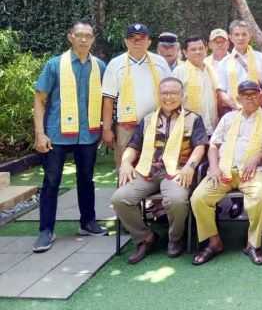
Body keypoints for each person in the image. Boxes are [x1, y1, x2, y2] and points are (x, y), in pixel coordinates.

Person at [111, 77, 208, 263]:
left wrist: (190, 166)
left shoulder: (193, 119)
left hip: (177, 171)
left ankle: (175, 238)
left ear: (182, 95)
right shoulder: (148, 119)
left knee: (176, 200)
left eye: (173, 93)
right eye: (165, 93)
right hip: (147, 171)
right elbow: (133, 146)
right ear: (158, 95)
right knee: (120, 199)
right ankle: (145, 237)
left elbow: (200, 146)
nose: (168, 97)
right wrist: (125, 163)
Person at [32, 21, 107, 253]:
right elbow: (40, 99)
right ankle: (46, 230)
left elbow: (106, 99)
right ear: (70, 37)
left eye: (88, 35)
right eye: (79, 35)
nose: (84, 39)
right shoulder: (55, 65)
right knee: (51, 181)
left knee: (86, 179)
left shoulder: (99, 66)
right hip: (56, 134)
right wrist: (40, 133)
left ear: (93, 39)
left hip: (88, 133)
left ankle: (88, 222)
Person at [190, 80, 262, 266]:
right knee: (199, 198)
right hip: (223, 170)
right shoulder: (228, 118)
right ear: (238, 98)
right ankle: (214, 242)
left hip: (253, 172)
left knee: (261, 196)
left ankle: (253, 244)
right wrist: (214, 167)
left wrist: (257, 157)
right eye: (246, 96)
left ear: (260, 96)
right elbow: (213, 145)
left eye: (254, 95)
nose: (250, 99)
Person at [102, 24, 171, 169]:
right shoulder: (115, 64)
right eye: (132, 38)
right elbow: (108, 100)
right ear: (126, 42)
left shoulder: (160, 62)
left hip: (157, 125)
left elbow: (170, 93)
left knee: (156, 166)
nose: (137, 42)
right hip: (126, 127)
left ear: (149, 42)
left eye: (141, 38)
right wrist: (106, 129)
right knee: (125, 167)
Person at [217, 20, 262, 108]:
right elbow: (221, 91)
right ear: (231, 37)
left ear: (250, 36)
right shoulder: (224, 63)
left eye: (244, 34)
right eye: (237, 35)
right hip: (234, 110)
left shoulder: (261, 58)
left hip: (258, 108)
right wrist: (236, 106)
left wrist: (255, 105)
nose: (240, 38)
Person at [173, 36, 222, 136]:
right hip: (189, 130)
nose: (198, 52)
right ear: (185, 52)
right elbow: (173, 101)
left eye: (201, 48)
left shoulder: (211, 70)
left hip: (212, 128)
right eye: (193, 49)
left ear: (206, 50)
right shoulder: (179, 71)